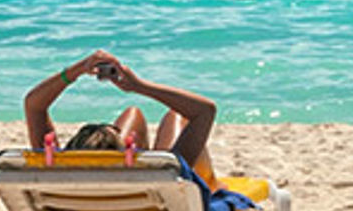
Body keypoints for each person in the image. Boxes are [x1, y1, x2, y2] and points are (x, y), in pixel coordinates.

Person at [23, 50, 217, 183]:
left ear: (71, 149)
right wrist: (139, 86)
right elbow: (205, 110)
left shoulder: (56, 170)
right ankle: (213, 183)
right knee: (177, 116)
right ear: (127, 152)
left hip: (78, 209)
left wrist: (78, 70)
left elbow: (34, 106)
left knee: (132, 113)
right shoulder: (164, 174)